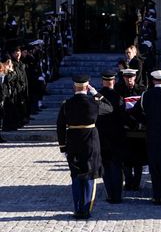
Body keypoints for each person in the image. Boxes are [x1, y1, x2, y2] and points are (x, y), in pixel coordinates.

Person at [56, 75, 113, 219]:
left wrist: (63, 146)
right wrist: (96, 93)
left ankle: (77, 208)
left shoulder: (66, 104)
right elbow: (109, 108)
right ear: (87, 87)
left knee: (75, 175)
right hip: (90, 142)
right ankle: (86, 209)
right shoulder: (93, 102)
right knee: (89, 175)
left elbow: (60, 127)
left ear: (74, 87)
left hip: (73, 142)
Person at [130, 70, 161, 205]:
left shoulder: (146, 95)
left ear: (153, 81)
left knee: (154, 166)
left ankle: (157, 196)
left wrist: (146, 121)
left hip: (151, 134)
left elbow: (135, 112)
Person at [114, 68, 147, 191]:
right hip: (125, 128)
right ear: (123, 78)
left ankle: (137, 183)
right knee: (126, 158)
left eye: (131, 77)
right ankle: (128, 181)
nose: (129, 80)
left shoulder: (142, 90)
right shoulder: (118, 89)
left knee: (138, 158)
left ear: (135, 77)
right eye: (127, 77)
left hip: (138, 128)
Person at [96, 70, 125, 204]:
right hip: (117, 136)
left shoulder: (96, 97)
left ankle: (110, 194)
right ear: (113, 81)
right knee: (117, 166)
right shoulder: (118, 97)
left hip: (102, 136)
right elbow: (123, 116)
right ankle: (117, 195)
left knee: (106, 166)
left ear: (103, 82)